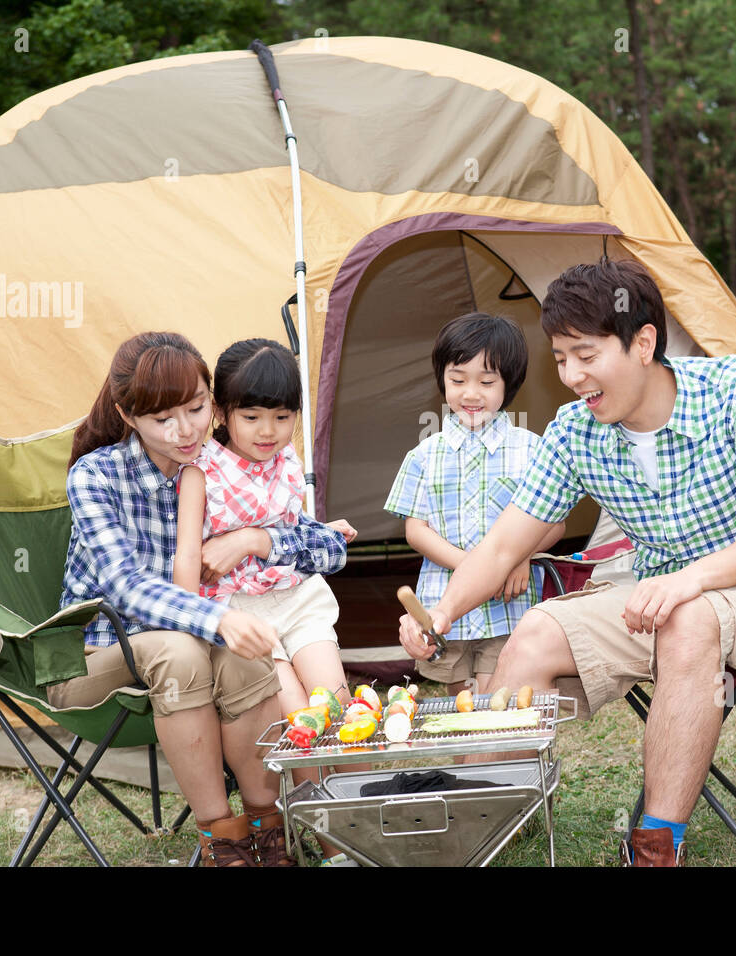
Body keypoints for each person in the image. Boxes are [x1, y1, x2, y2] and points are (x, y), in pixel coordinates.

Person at [397, 261, 736, 866]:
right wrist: (441, 614)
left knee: (689, 619)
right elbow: (504, 546)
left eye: (585, 354)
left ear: (644, 343)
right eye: (560, 358)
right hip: (651, 589)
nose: (572, 376)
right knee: (532, 633)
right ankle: (472, 827)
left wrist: (688, 581)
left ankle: (657, 849)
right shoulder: (577, 430)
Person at [48, 331, 286, 867]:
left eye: (198, 408)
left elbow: (307, 536)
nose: (186, 430)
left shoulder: (224, 466)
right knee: (180, 649)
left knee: (241, 658)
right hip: (89, 660)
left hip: (187, 655)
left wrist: (259, 539)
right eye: (163, 419)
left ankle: (267, 830)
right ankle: (221, 841)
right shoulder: (95, 476)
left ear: (213, 399)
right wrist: (218, 617)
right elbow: (126, 588)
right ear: (127, 417)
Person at [173, 338, 356, 861]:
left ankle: (357, 826)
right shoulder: (200, 472)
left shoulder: (287, 461)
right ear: (222, 414)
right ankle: (330, 846)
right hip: (243, 612)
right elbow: (188, 557)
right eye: (250, 416)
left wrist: (318, 531)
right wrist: (191, 619)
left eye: (281, 416)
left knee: (338, 712)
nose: (267, 431)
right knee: (299, 721)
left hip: (297, 601)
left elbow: (295, 532)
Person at [385, 313, 566, 698]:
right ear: (442, 380)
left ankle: (501, 758)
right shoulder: (423, 455)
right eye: (458, 380)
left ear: (508, 385)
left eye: (486, 382)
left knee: (499, 699)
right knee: (462, 705)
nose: (471, 393)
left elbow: (554, 525)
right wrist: (477, 568)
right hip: (446, 606)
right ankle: (472, 763)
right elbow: (416, 531)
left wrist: (519, 557)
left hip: (509, 606)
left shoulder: (531, 449)